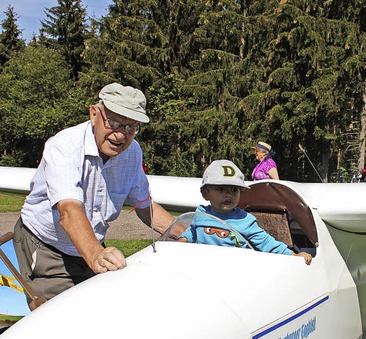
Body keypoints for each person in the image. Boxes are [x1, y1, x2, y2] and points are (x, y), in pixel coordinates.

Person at [13, 82, 175, 308]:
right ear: (94, 114)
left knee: (105, 308)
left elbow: (143, 203)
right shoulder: (64, 146)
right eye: (115, 123)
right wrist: (96, 255)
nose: (121, 135)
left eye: (131, 128)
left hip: (89, 245)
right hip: (46, 246)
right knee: (61, 317)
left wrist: (186, 233)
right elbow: (69, 210)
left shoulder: (133, 152)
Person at [179, 159, 312, 265]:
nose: (228, 195)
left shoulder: (245, 220)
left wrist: (292, 255)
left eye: (234, 190)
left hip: (235, 270)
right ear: (205, 194)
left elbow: (266, 243)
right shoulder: (201, 214)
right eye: (221, 189)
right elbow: (191, 233)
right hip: (201, 266)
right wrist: (181, 241)